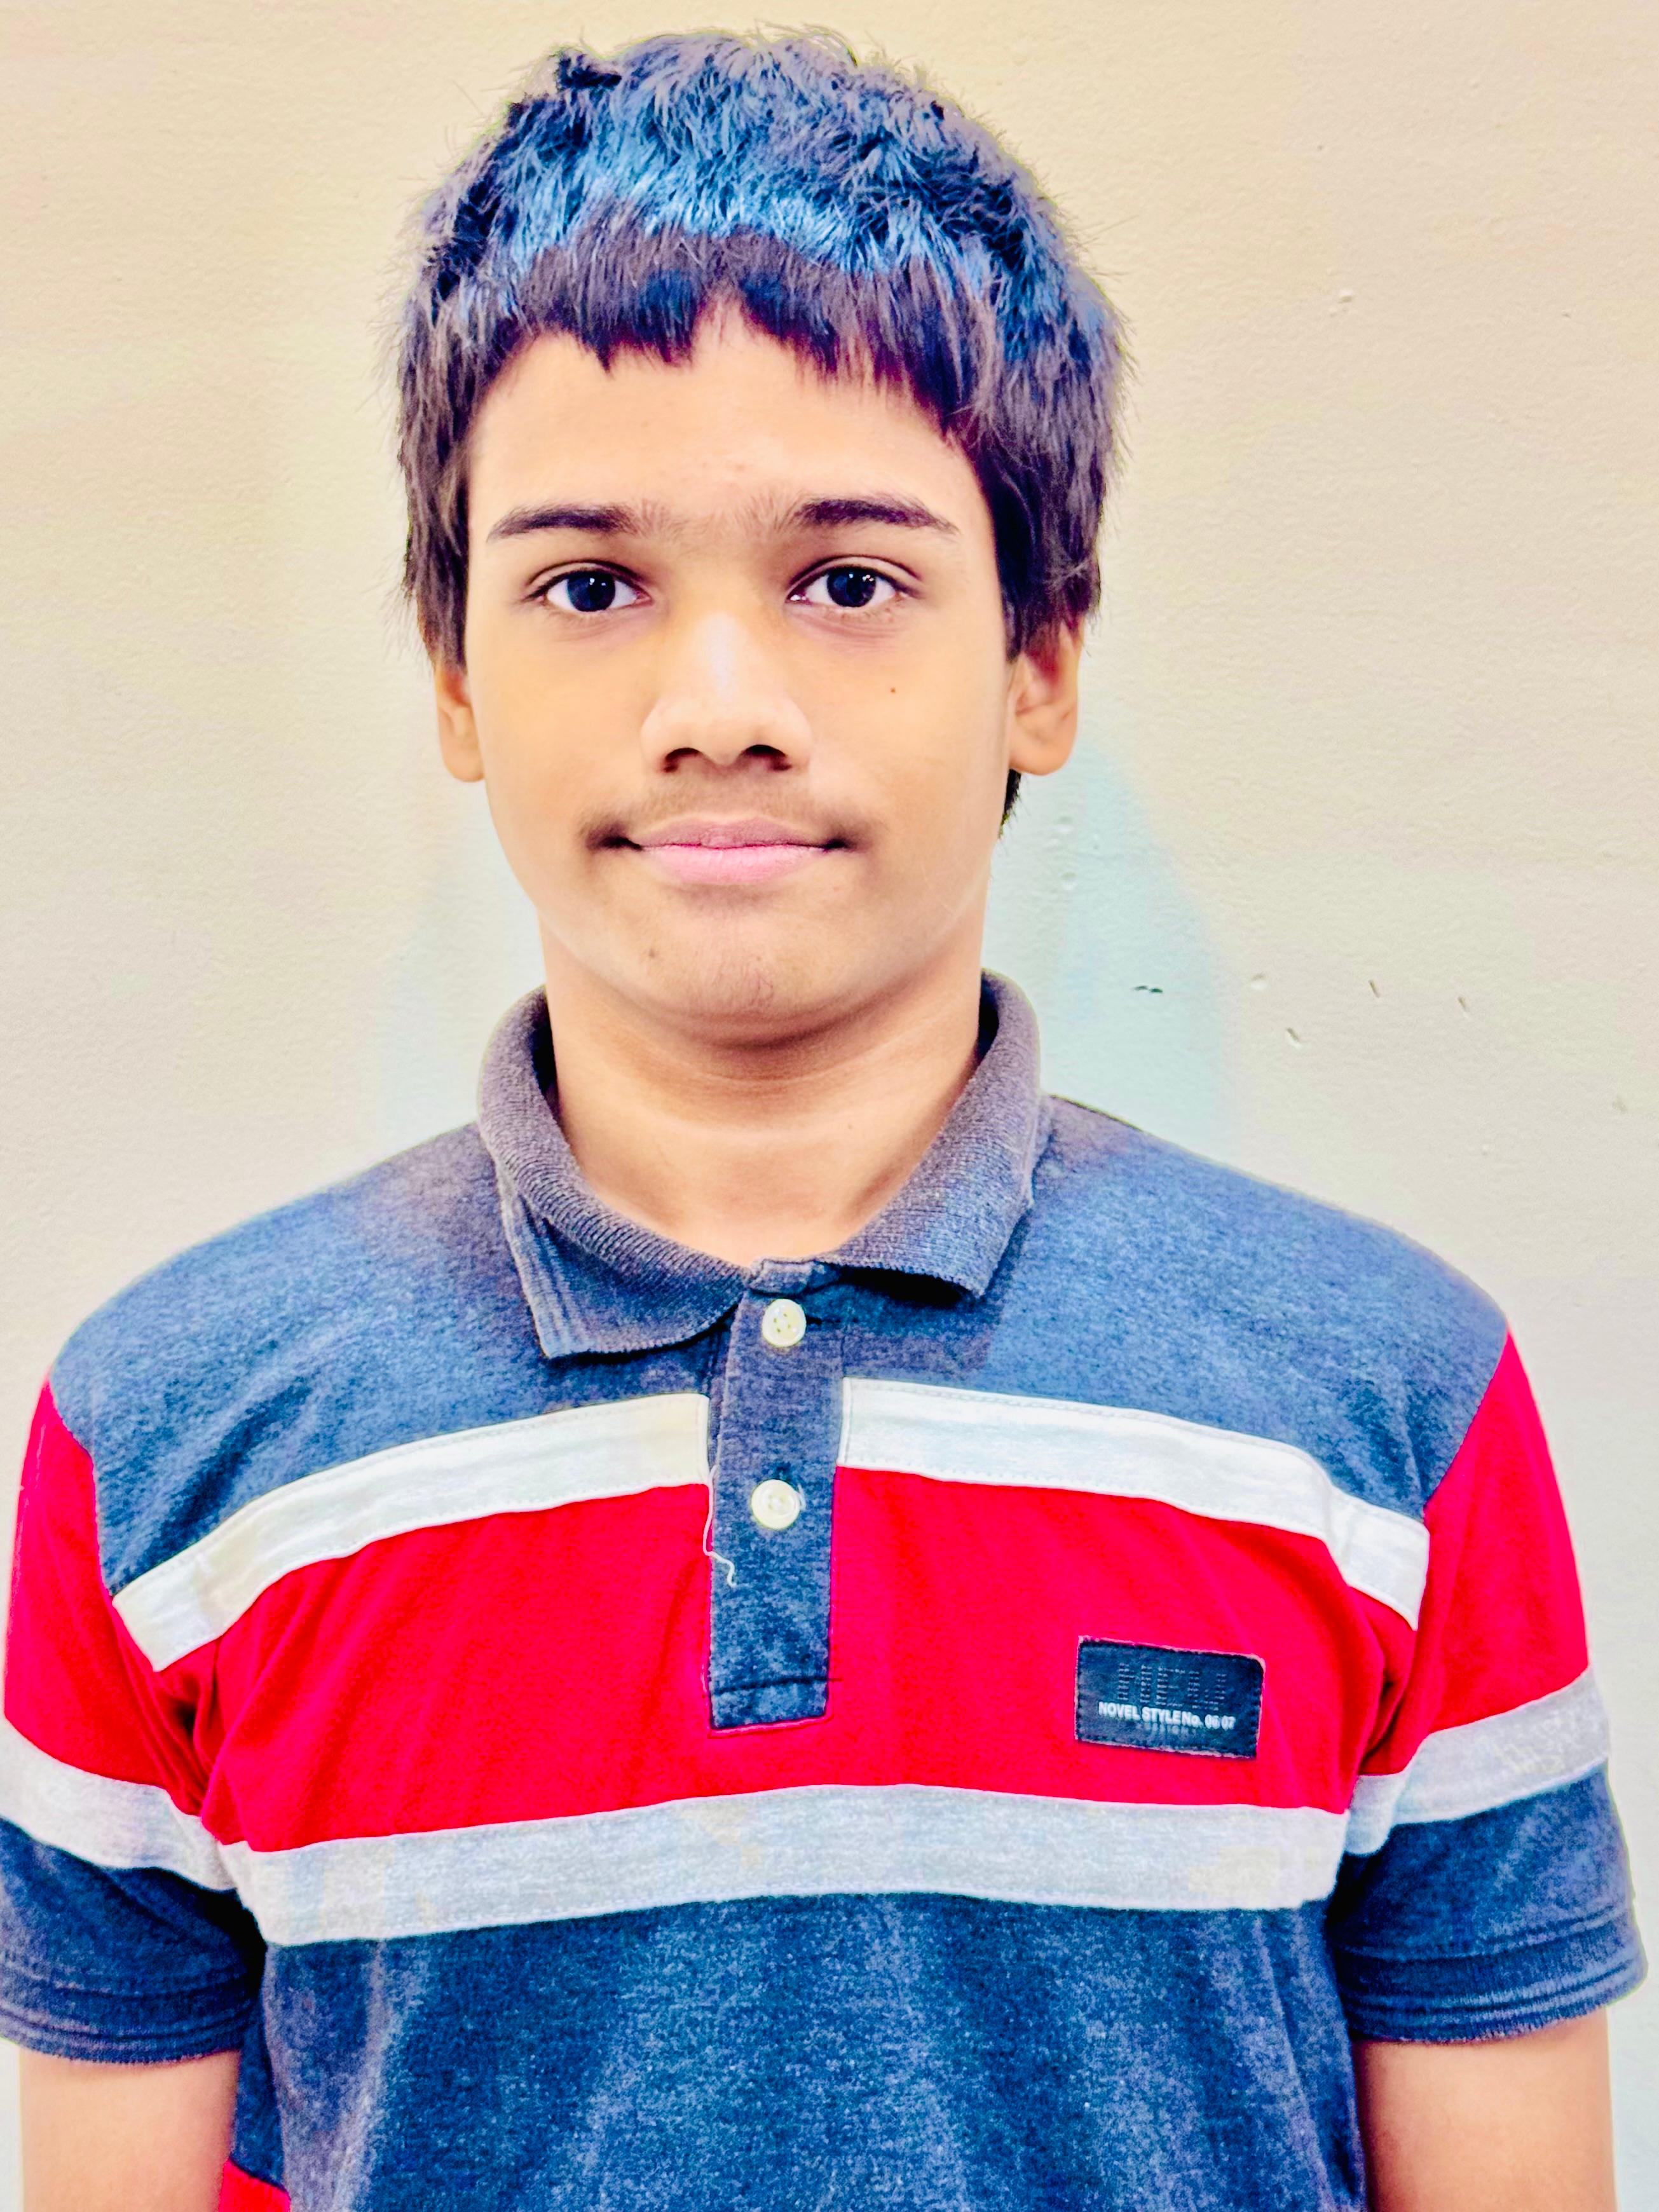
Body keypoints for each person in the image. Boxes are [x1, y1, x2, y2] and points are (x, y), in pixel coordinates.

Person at [0, 31, 1642, 2212]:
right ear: (457, 676)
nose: (720, 709)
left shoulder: (1382, 1406)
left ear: (1038, 662)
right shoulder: (170, 1441)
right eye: (589, 586)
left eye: (847, 582)